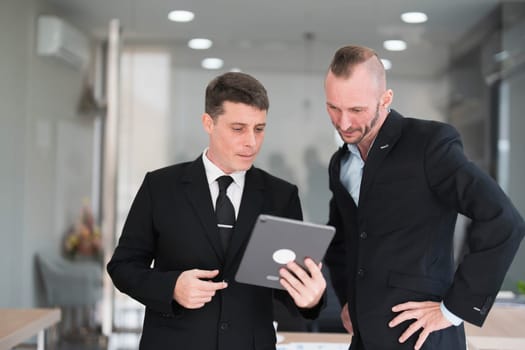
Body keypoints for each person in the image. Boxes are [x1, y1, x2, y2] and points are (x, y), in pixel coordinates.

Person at [323, 45, 525, 350]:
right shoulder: (341, 163)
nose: (344, 123)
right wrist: (349, 298)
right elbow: (341, 241)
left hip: (423, 340)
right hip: (363, 339)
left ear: (386, 99)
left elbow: (503, 219)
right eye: (333, 108)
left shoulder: (430, 144)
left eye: (356, 110)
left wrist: (454, 310)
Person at [107, 72, 326, 350]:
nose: (252, 142)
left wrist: (310, 300)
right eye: (238, 128)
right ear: (208, 123)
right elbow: (123, 267)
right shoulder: (160, 187)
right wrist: (172, 286)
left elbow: (286, 287)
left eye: (259, 129)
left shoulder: (281, 196)